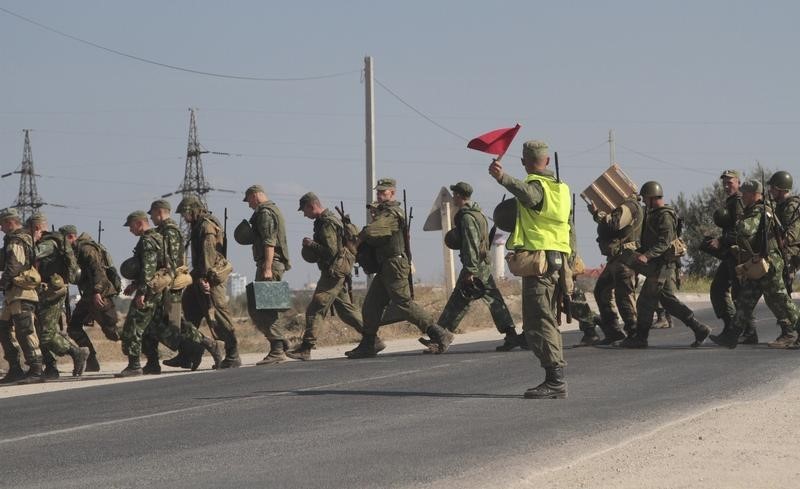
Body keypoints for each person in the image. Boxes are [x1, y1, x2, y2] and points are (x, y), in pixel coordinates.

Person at [489, 140, 571, 399]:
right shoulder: (562, 189)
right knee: (546, 321)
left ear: (525, 163)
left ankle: (555, 380)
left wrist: (503, 178)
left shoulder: (536, 187)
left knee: (539, 322)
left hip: (540, 265)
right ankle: (554, 377)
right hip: (557, 261)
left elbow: (528, 194)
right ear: (547, 161)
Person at [346, 178, 453, 358]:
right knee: (371, 306)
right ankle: (368, 343)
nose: (379, 195)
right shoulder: (383, 213)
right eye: (378, 192)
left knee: (403, 304)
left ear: (392, 193)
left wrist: (360, 236)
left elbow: (373, 231)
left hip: (394, 265)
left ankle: (439, 334)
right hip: (385, 266)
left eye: (383, 192)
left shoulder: (392, 213)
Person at [420, 182, 523, 352]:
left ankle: (440, 338)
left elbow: (471, 244)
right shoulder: (478, 214)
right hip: (481, 264)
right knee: (493, 300)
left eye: (454, 195)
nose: (453, 198)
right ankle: (511, 334)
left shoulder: (468, 217)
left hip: (474, 265)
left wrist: (470, 270)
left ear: (459, 196)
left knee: (457, 302)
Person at [287, 192, 377, 360]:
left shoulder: (327, 222)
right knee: (346, 311)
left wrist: (311, 244)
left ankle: (306, 348)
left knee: (315, 308)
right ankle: (373, 339)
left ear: (311, 206)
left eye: (304, 210)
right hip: (337, 272)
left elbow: (331, 251)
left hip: (333, 273)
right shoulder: (328, 220)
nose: (304, 214)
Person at [621, 182, 712, 348]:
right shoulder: (654, 213)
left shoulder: (664, 215)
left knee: (645, 301)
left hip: (662, 266)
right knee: (668, 301)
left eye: (645, 199)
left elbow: (664, 242)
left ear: (651, 197)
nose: (644, 202)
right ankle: (699, 329)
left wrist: (646, 256)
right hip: (657, 265)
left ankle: (641, 338)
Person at [711, 180, 800, 348]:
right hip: (759, 261)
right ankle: (732, 336)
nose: (742, 196)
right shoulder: (754, 210)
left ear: (753, 194)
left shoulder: (760, 211)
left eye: (745, 193)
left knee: (782, 300)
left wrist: (729, 228)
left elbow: (746, 229)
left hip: (770, 263)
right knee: (746, 299)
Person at [142, 199, 222, 373]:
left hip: (170, 286)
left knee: (174, 324)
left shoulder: (170, 231)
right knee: (162, 323)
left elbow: (170, 261)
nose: (152, 218)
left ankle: (204, 346)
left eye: (153, 214)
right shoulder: (163, 230)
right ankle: (177, 356)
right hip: (164, 285)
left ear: (159, 212)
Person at [177, 195, 239, 368]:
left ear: (193, 210)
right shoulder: (197, 225)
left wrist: (205, 280)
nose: (184, 217)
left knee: (218, 316)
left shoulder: (206, 226)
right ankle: (189, 353)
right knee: (189, 311)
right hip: (199, 276)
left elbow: (208, 256)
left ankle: (232, 354)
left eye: (185, 213)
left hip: (209, 278)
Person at [28, 213, 89, 378]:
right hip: (45, 292)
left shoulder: (48, 243)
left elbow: (32, 254)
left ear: (37, 228)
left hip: (51, 293)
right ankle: (51, 367)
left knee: (47, 334)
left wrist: (19, 247)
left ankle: (76, 352)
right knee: (42, 331)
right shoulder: (52, 241)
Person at [243, 185, 292, 365]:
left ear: (255, 196)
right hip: (269, 263)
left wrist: (268, 267)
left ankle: (277, 349)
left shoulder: (265, 213)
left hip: (270, 263)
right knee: (265, 306)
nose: (249, 204)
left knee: (266, 308)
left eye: (248, 200)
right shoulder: (272, 209)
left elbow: (269, 242)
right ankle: (280, 342)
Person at [116, 211, 169, 377]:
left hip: (149, 291)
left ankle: (134, 365)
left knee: (133, 325)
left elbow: (149, 268)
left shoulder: (147, 240)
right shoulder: (156, 237)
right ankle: (153, 363)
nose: (130, 230)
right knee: (151, 329)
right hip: (155, 289)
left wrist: (142, 292)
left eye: (131, 226)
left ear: (139, 223)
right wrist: (134, 285)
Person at [588, 193, 643, 344]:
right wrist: (597, 215)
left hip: (625, 258)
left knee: (624, 295)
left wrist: (597, 213)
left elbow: (614, 224)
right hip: (616, 259)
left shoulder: (629, 206)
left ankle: (634, 333)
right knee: (601, 291)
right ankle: (613, 331)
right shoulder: (624, 206)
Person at [0, 208, 44, 384]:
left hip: (21, 294)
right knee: (3, 328)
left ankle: (36, 369)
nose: (1, 228)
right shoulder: (14, 239)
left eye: (2, 224)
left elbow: (14, 266)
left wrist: (2, 282)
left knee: (25, 331)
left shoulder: (17, 240)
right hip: (12, 295)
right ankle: (15, 368)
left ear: (10, 222)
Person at [67, 228, 121, 372]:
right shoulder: (76, 250)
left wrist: (97, 292)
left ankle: (143, 334)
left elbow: (98, 271)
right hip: (88, 296)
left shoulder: (86, 249)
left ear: (71, 236)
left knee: (113, 331)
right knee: (74, 327)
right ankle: (91, 360)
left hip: (99, 294)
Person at [706, 170, 748, 340]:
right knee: (719, 289)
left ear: (738, 183)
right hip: (731, 253)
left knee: (739, 293)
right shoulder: (732, 201)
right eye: (724, 182)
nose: (726, 185)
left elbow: (740, 231)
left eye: (730, 182)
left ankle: (745, 331)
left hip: (738, 254)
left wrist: (721, 240)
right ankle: (733, 327)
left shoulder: (738, 201)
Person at [768, 171, 800, 295]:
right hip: (783, 249)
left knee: (783, 292)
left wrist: (780, 244)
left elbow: (792, 233)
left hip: (791, 252)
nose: (770, 191)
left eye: (773, 188)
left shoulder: (791, 206)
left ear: (780, 189)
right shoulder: (780, 205)